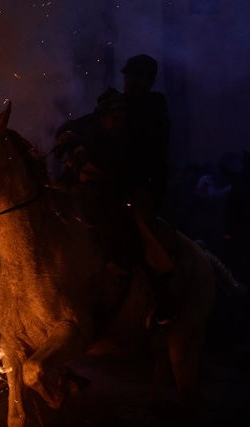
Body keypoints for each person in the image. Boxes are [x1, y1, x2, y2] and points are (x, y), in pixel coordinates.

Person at [54, 54, 176, 325]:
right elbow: (86, 124)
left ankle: (160, 295)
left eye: (138, 76)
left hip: (140, 182)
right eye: (129, 75)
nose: (131, 80)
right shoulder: (116, 104)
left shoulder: (153, 109)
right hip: (109, 180)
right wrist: (70, 136)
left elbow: (133, 147)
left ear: (149, 80)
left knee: (135, 227)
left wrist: (92, 149)